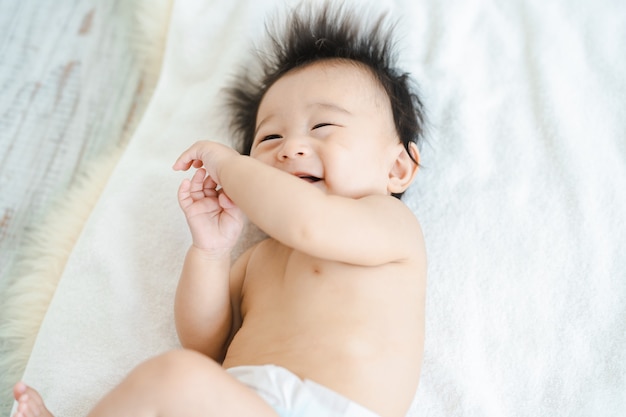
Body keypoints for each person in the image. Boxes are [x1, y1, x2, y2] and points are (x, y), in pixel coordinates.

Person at [11, 2, 426, 417]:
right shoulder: (258, 259)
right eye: (269, 138)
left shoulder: (389, 224)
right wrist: (210, 252)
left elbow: (308, 224)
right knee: (174, 378)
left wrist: (228, 164)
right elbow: (206, 344)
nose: (290, 148)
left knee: (176, 374)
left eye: (323, 127)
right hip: (241, 402)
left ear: (398, 169)